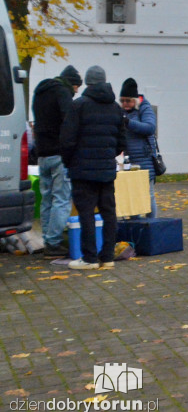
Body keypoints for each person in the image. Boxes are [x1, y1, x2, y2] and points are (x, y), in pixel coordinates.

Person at [59, 66, 126, 270]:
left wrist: (69, 161)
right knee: (109, 213)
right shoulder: (115, 108)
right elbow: (122, 142)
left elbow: (67, 139)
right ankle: (107, 257)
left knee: (86, 213)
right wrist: (107, 155)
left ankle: (89, 258)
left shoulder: (78, 105)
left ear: (87, 83)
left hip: (82, 169)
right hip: (106, 169)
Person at [31, 65, 81, 258]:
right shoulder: (63, 92)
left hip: (42, 154)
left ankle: (47, 240)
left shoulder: (40, 92)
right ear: (72, 83)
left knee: (47, 199)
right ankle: (54, 244)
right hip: (59, 154)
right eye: (76, 89)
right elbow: (70, 122)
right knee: (61, 199)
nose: (75, 94)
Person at [119, 78, 159, 217]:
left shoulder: (144, 108)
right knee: (131, 197)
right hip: (128, 160)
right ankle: (135, 226)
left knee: (148, 196)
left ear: (135, 100)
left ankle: (152, 226)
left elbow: (150, 127)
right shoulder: (121, 111)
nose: (125, 104)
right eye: (122, 101)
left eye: (128, 101)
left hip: (144, 159)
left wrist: (128, 123)